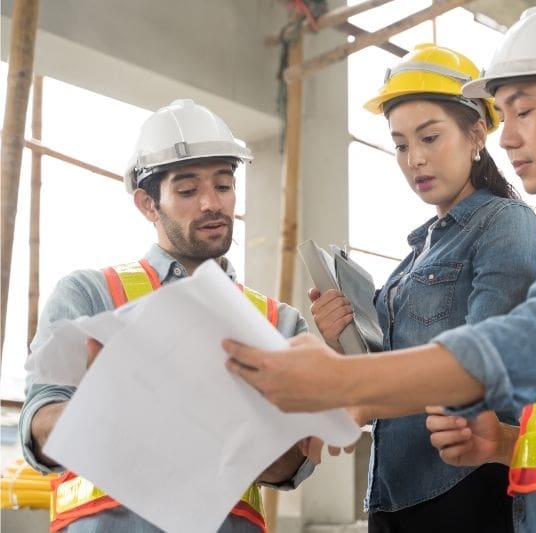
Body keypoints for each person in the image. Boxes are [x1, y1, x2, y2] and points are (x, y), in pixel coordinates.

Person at [223, 5, 536, 532]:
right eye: (504, 116)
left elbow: (535, 344)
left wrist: (345, 381)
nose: (507, 136)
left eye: (522, 111)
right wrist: (504, 443)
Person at [19, 99, 319, 532]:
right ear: (147, 203)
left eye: (223, 184)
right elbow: (39, 428)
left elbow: (291, 465)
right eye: (187, 190)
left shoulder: (279, 323)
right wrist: (107, 409)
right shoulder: (89, 294)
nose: (211, 204)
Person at [308, 44, 536, 533]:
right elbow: (389, 372)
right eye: (400, 144)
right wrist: (342, 342)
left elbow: (485, 362)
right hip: (394, 490)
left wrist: (360, 398)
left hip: (466, 486)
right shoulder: (417, 253)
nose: (414, 158)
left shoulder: (507, 225)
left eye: (430, 137)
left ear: (476, 133)